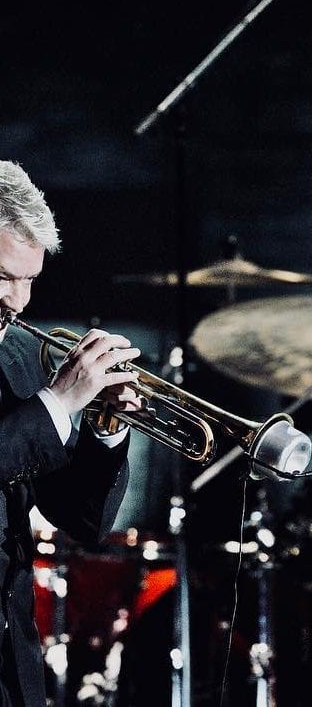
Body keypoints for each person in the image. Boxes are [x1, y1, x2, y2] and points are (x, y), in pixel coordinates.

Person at [0, 160, 142, 705]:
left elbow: (82, 521)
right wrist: (59, 402)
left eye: (30, 279)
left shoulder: (19, 354)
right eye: (3, 276)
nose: (18, 301)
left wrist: (104, 428)